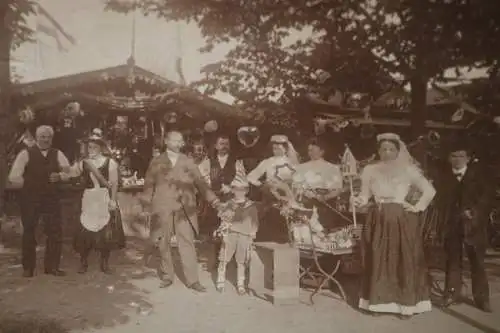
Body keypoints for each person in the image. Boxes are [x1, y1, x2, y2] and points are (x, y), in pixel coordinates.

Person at [351, 132, 436, 319]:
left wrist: (417, 207)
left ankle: (405, 305)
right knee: (378, 258)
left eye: (391, 149)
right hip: (377, 218)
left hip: (400, 218)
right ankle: (378, 304)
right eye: (383, 149)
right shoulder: (370, 170)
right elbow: (365, 196)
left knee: (402, 258)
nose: (387, 153)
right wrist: (359, 200)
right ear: (378, 151)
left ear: (398, 151)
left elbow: (429, 191)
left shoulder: (408, 169)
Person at [140, 130, 221, 292]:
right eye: (176, 141)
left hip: (185, 209)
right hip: (163, 207)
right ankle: (167, 276)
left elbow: (200, 182)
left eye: (181, 141)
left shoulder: (188, 161)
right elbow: (148, 185)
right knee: (163, 242)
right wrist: (145, 206)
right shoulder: (156, 161)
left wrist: (214, 199)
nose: (179, 144)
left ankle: (193, 280)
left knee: (187, 243)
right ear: (167, 141)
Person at [8, 125, 71, 277]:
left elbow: (69, 171)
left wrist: (60, 176)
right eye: (42, 136)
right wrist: (31, 184)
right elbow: (14, 177)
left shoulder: (57, 153)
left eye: (48, 137)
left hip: (51, 198)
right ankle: (28, 268)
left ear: (51, 138)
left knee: (55, 231)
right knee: (29, 231)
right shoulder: (25, 154)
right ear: (37, 138)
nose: (45, 139)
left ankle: (52, 267)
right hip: (31, 199)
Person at [437, 142, 493, 312]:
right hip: (452, 225)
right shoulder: (444, 177)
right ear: (448, 158)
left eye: (461, 156)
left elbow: (487, 198)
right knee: (453, 260)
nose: (457, 159)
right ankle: (452, 293)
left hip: (474, 225)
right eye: (453, 156)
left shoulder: (479, 176)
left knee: (477, 261)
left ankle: (482, 298)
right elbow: (439, 200)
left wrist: (474, 212)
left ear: (468, 158)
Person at [70, 129, 125, 274]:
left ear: (101, 147)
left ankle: (104, 263)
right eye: (89, 147)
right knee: (84, 231)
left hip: (103, 198)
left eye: (94, 147)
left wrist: (113, 200)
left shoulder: (110, 162)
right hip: (88, 199)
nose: (91, 150)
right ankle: (83, 262)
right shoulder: (83, 163)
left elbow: (114, 183)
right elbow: (70, 173)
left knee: (106, 232)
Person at [198, 134, 246, 264]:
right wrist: (210, 185)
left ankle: (232, 259)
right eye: (221, 143)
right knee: (214, 230)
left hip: (231, 200)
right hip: (214, 201)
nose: (224, 147)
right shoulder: (208, 162)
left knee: (231, 229)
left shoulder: (236, 162)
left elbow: (242, 181)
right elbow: (200, 179)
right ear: (215, 146)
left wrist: (231, 187)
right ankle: (216, 259)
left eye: (226, 144)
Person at [247, 134, 299, 242]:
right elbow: (251, 177)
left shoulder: (293, 163)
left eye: (280, 147)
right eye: (274, 148)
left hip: (291, 200)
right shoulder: (267, 162)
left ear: (286, 148)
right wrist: (263, 186)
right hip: (272, 200)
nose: (277, 150)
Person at [215, 178, 259, 295]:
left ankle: (240, 284)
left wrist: (252, 233)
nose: (239, 192)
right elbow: (223, 218)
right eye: (237, 189)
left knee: (241, 260)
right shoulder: (229, 204)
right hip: (230, 233)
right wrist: (223, 230)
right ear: (233, 190)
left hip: (244, 235)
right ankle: (220, 281)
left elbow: (254, 222)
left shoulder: (251, 206)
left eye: (242, 190)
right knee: (224, 258)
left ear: (246, 191)